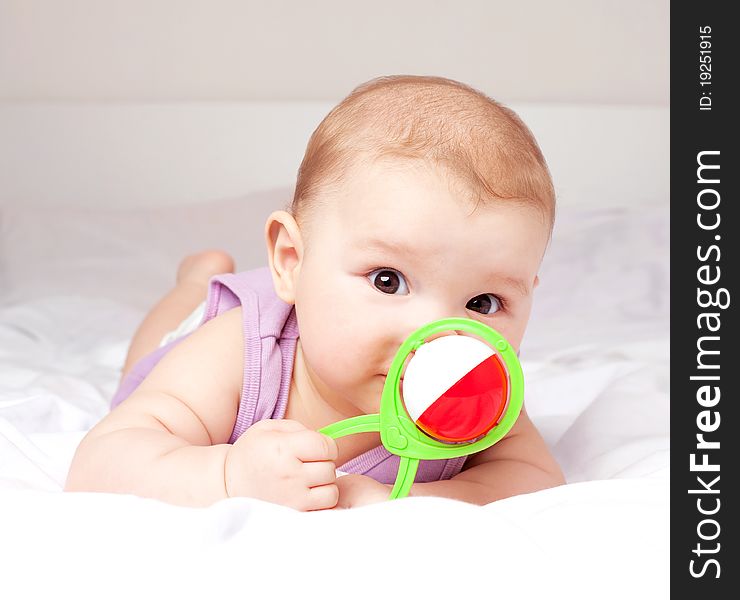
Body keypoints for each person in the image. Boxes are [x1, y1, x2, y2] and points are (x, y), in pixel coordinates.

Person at [65, 75, 565, 509]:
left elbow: (534, 479)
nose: (436, 335)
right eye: (387, 280)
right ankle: (197, 278)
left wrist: (403, 501)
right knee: (153, 344)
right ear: (291, 261)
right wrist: (229, 477)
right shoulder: (239, 352)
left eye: (483, 304)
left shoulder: (475, 381)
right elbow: (100, 462)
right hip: (201, 333)